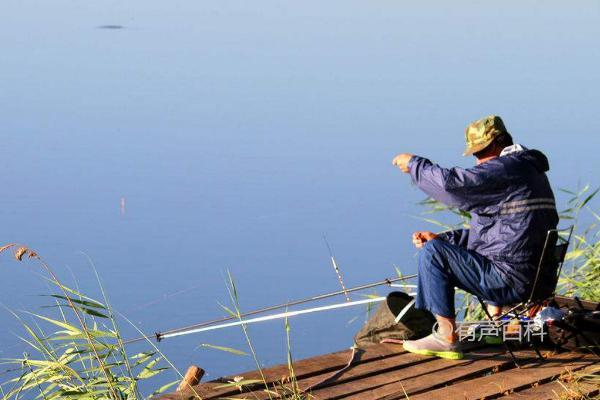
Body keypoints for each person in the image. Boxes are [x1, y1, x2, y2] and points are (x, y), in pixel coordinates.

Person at [391, 115, 559, 360]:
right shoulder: (529, 171)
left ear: (497, 143)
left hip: (510, 280)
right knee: (438, 246)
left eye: (480, 152)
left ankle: (446, 337)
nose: (478, 161)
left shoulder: (507, 169)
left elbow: (452, 186)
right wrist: (445, 239)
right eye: (474, 154)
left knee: (432, 253)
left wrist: (415, 165)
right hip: (536, 281)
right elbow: (502, 234)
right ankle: (496, 323)